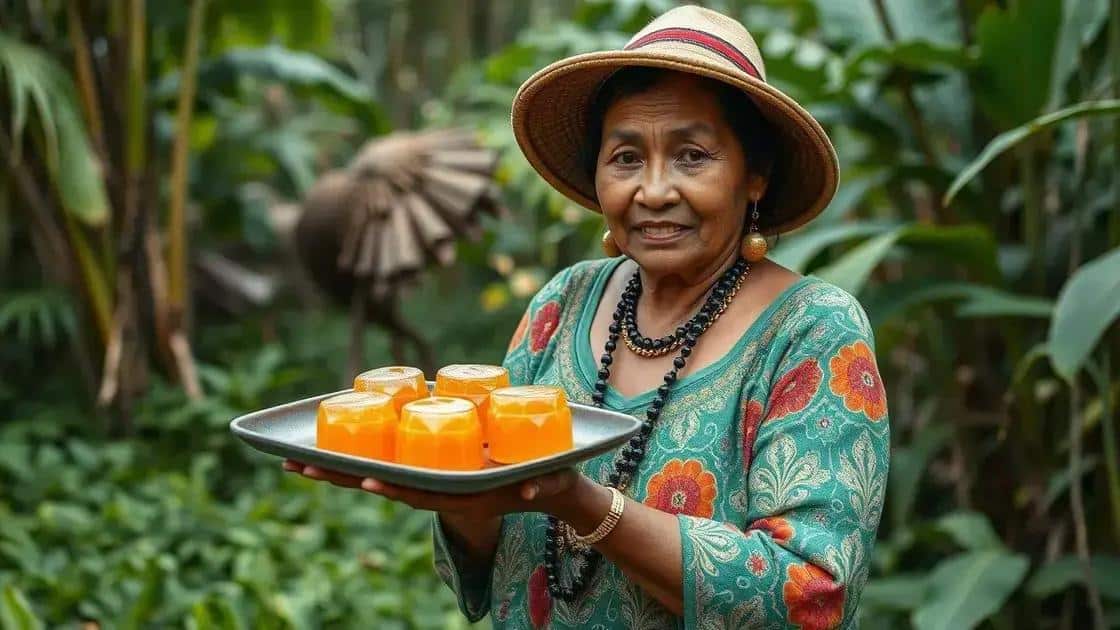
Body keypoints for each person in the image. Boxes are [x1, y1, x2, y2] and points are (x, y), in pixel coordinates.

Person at [285, 5, 889, 628]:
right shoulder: (562, 303)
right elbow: (494, 551)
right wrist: (458, 494)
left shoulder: (813, 331)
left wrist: (585, 504)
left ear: (754, 175)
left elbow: (813, 598)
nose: (652, 191)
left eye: (692, 156)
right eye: (626, 157)